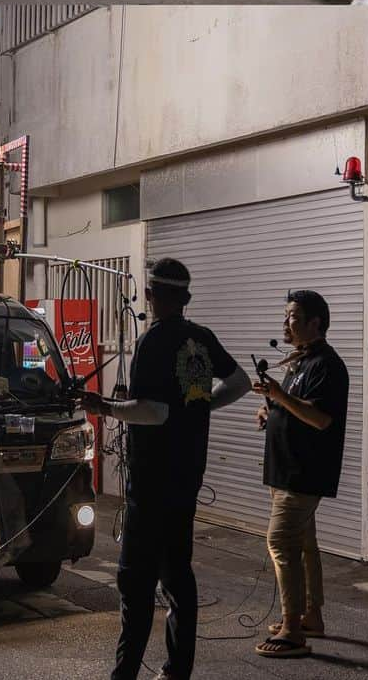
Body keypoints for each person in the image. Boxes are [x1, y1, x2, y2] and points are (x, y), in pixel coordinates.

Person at [82, 258, 251, 680]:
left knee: (134, 581)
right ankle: (177, 671)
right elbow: (240, 382)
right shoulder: (201, 337)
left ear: (155, 295)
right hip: (187, 474)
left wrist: (105, 408)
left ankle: (124, 674)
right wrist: (201, 405)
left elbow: (153, 412)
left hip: (153, 477)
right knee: (177, 575)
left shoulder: (154, 341)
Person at [252, 289, 350, 661]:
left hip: (304, 473)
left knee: (280, 543)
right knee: (305, 545)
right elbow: (293, 409)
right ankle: (311, 615)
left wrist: (280, 398)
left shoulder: (326, 364)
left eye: (293, 316)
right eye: (286, 316)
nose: (285, 323)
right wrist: (270, 412)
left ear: (315, 322)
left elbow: (321, 418)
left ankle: (292, 629)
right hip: (285, 471)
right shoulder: (299, 361)